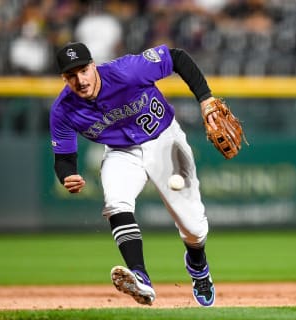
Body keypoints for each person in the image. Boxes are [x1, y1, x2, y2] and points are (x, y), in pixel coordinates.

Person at [50, 41, 218, 307]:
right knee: (116, 202)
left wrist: (205, 97)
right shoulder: (63, 110)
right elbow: (64, 158)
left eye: (83, 70)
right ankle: (140, 277)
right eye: (71, 75)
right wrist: (67, 175)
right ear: (63, 78)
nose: (80, 80)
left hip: (165, 141)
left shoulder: (127, 71)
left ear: (93, 66)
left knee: (194, 229)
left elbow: (176, 57)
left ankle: (197, 264)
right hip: (120, 152)